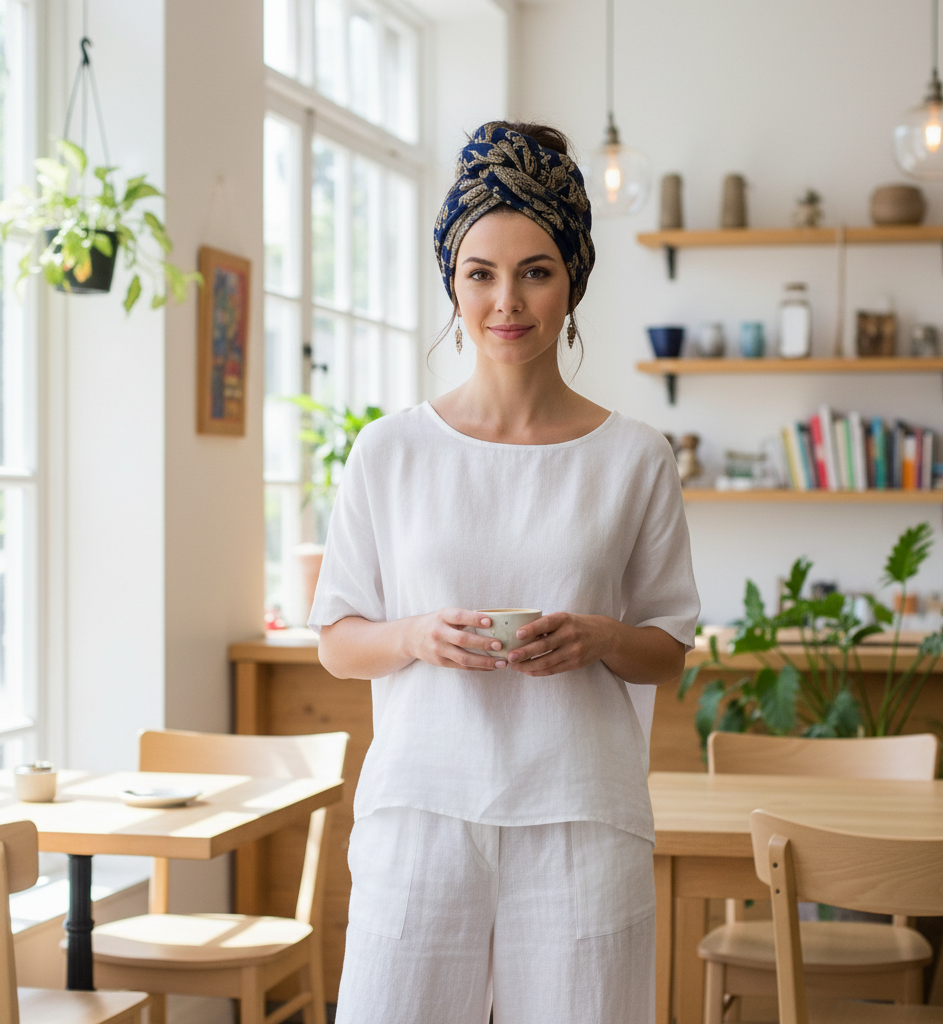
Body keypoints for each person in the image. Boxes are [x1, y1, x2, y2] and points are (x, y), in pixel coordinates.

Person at [310, 120, 700, 1024]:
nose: (506, 302)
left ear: (572, 282)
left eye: (536, 270)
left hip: (581, 815)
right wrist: (415, 635)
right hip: (421, 812)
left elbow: (667, 651)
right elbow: (336, 642)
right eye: (480, 272)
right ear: (452, 279)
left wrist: (600, 637)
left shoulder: (635, 457)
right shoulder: (389, 451)